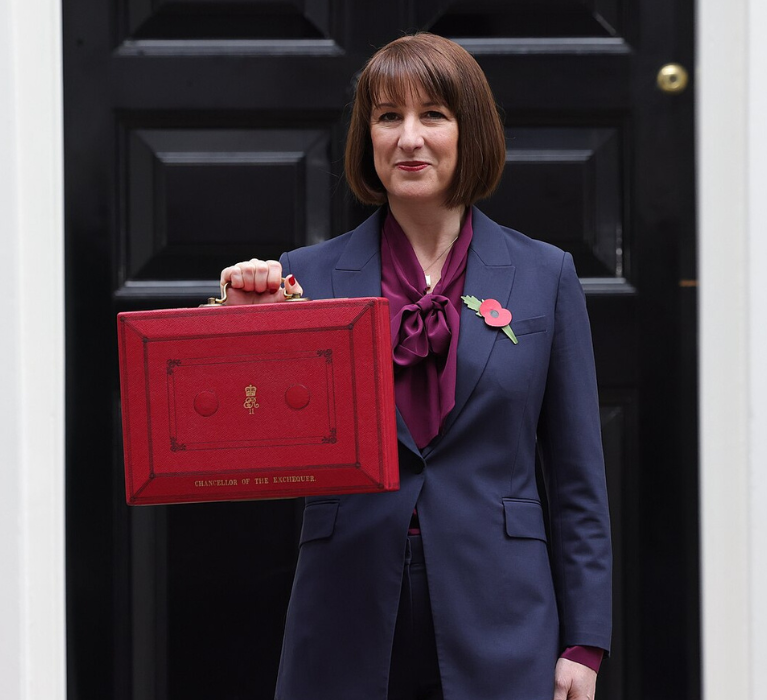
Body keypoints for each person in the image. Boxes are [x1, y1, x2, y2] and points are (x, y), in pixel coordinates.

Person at [219, 32, 612, 700]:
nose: (408, 138)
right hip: (345, 604)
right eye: (387, 116)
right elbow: (242, 449)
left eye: (432, 114)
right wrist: (238, 325)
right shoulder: (302, 277)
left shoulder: (545, 275)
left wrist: (585, 642)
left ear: (469, 132)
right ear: (366, 137)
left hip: (504, 605)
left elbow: (578, 477)